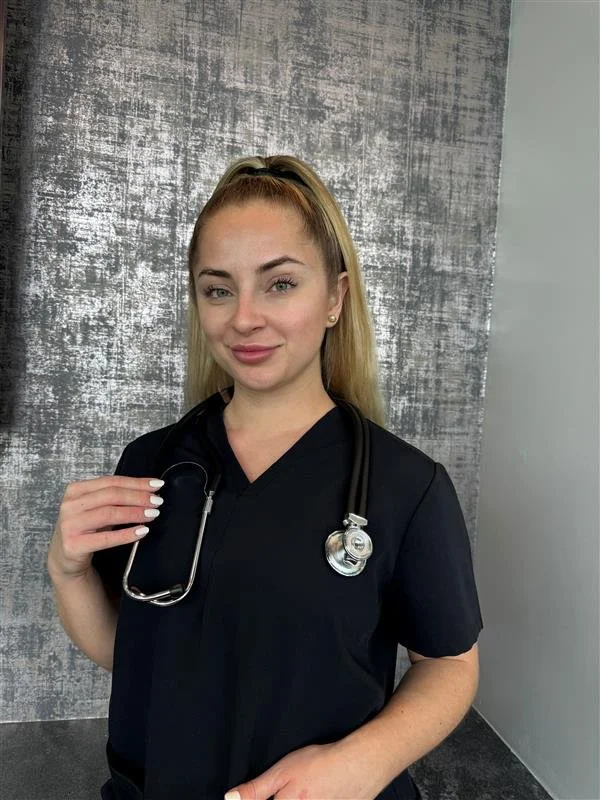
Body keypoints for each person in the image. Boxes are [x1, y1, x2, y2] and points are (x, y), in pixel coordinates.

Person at [47, 155, 484, 800]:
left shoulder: (405, 487)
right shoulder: (153, 465)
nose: (243, 318)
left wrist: (361, 765)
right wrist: (68, 571)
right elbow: (135, 657)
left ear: (335, 296)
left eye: (279, 283)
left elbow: (448, 663)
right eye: (218, 289)